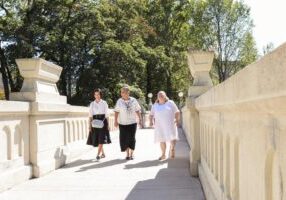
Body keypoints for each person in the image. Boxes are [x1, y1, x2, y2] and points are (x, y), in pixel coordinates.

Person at [149, 91, 180, 160]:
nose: (160, 96)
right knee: (161, 139)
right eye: (159, 95)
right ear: (157, 97)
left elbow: (177, 111)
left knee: (172, 138)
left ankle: (172, 149)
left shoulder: (170, 103)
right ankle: (163, 155)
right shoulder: (155, 105)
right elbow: (151, 114)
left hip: (170, 125)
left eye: (162, 95)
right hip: (159, 126)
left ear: (165, 96)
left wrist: (177, 120)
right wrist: (150, 122)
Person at [114, 85, 142, 160]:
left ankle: (132, 154)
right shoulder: (119, 101)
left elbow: (137, 110)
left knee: (131, 138)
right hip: (122, 123)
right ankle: (127, 154)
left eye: (124, 92)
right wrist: (115, 121)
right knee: (124, 139)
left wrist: (140, 119)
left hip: (132, 123)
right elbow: (116, 111)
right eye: (122, 92)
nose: (123, 93)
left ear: (128, 92)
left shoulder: (133, 100)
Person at [87, 88, 111, 160]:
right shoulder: (92, 104)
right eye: (95, 94)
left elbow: (107, 115)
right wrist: (89, 125)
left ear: (100, 95)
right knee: (98, 139)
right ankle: (103, 153)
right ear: (94, 95)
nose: (97, 96)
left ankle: (98, 155)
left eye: (98, 94)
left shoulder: (104, 103)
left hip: (103, 122)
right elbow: (90, 115)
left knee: (101, 138)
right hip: (94, 122)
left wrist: (108, 125)